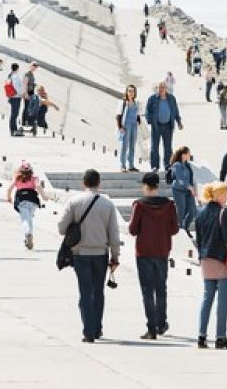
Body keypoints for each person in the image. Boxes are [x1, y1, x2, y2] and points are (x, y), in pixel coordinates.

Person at [58, 169, 121, 343]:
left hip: (80, 253)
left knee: (85, 292)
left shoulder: (74, 202)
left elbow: (61, 227)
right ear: (99, 183)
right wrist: (115, 257)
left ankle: (88, 331)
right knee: (98, 292)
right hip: (100, 253)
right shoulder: (108, 205)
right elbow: (114, 235)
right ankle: (98, 327)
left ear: (83, 183)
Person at [128, 172, 179, 340]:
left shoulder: (139, 205)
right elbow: (174, 229)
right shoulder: (169, 205)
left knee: (147, 290)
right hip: (162, 251)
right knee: (161, 288)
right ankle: (161, 323)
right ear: (158, 186)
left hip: (144, 252)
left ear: (144, 186)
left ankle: (151, 328)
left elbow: (133, 229)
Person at [194, 181, 227, 349]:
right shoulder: (224, 213)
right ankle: (220, 337)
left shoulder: (200, 213)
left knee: (207, 298)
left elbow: (198, 239)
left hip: (206, 260)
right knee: (223, 301)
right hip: (222, 260)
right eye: (226, 194)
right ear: (221, 195)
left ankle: (201, 336)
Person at [145, 83, 182, 172]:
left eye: (163, 87)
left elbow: (175, 111)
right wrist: (150, 121)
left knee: (168, 147)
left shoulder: (172, 98)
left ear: (166, 88)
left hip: (168, 126)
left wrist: (179, 122)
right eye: (159, 87)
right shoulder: (152, 99)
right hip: (156, 126)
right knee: (154, 147)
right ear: (157, 89)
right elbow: (147, 111)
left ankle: (168, 165)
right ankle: (155, 166)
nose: (161, 89)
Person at [6, 161, 43, 250]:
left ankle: (28, 234)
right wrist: (44, 196)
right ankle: (29, 237)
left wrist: (8, 197)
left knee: (25, 220)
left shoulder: (17, 179)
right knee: (29, 218)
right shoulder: (35, 178)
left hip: (22, 201)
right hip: (33, 201)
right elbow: (39, 187)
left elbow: (9, 188)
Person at [168, 147, 198, 233]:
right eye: (188, 153)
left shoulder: (188, 165)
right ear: (183, 155)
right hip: (178, 190)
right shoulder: (177, 165)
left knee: (192, 211)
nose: (189, 155)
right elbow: (180, 179)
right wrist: (190, 187)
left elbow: (192, 178)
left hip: (188, 191)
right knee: (181, 212)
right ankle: (179, 230)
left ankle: (185, 228)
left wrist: (194, 189)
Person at [116, 85, 141, 172]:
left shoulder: (136, 102)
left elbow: (138, 114)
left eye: (133, 91)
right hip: (126, 125)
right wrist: (120, 127)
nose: (131, 93)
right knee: (124, 146)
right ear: (126, 92)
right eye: (129, 91)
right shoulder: (122, 103)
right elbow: (118, 116)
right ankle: (122, 165)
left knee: (132, 146)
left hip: (134, 126)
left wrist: (138, 121)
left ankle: (131, 165)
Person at [5, 63, 23, 136]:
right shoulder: (15, 76)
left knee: (14, 114)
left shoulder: (10, 75)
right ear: (17, 68)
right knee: (14, 114)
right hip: (15, 97)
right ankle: (13, 130)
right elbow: (16, 87)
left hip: (12, 96)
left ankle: (13, 130)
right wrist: (21, 93)